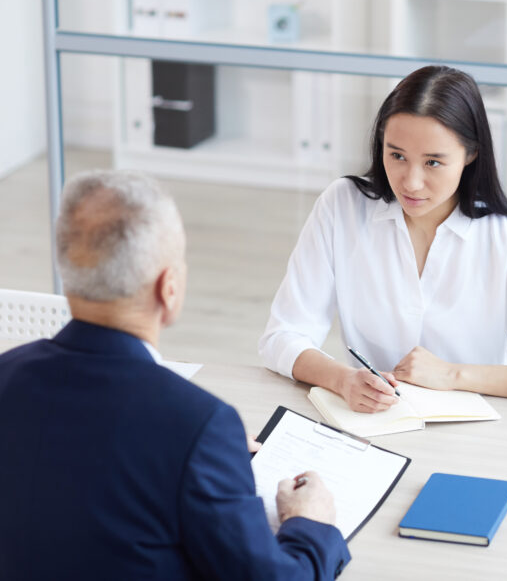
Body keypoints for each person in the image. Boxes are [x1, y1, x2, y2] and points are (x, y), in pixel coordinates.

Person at [0, 170, 349, 580]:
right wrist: (310, 524)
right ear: (169, 287)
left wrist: (207, 456)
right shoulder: (197, 424)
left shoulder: (7, 376)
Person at [260, 65, 507, 413]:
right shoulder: (343, 206)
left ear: (470, 155)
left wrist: (453, 375)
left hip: (479, 435)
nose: (410, 182)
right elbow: (282, 336)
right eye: (396, 155)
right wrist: (342, 379)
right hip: (375, 426)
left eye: (433, 163)